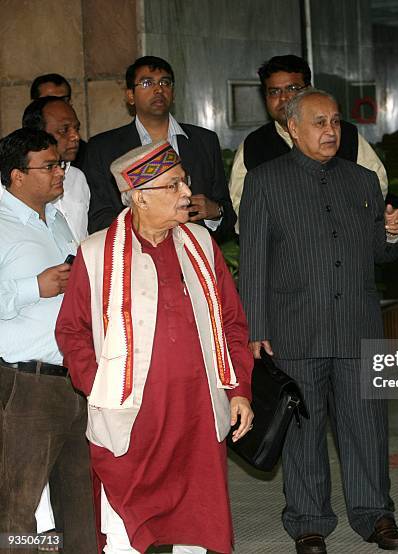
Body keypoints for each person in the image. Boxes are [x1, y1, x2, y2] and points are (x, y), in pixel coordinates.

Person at [55, 140, 253, 553]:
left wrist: (238, 392)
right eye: (174, 185)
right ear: (140, 197)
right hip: (130, 419)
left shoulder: (200, 244)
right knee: (125, 532)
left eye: (185, 183)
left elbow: (232, 322)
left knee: (196, 530)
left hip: (198, 416)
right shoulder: (95, 254)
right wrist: (100, 384)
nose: (187, 194)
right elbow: (72, 332)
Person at [239, 88, 398, 554]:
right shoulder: (265, 180)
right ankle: (308, 521)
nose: (331, 130)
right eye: (319, 122)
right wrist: (256, 329)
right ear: (293, 128)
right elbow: (253, 260)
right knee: (302, 432)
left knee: (367, 428)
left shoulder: (362, 180)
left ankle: (376, 516)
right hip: (295, 329)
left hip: (357, 325)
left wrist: (393, 233)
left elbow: (382, 252)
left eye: (335, 121)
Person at [0, 128, 97, 553]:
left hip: (73, 379)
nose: (62, 172)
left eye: (61, 163)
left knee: (81, 508)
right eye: (50, 166)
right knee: (16, 509)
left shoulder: (55, 218)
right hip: (27, 386)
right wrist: (32, 287)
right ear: (17, 176)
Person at [229, 54, 388, 232]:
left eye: (292, 88)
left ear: (309, 89)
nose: (283, 98)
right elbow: (241, 210)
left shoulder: (341, 134)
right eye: (274, 92)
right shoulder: (253, 146)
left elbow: (376, 184)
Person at [83, 56, 236, 240]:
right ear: (130, 95)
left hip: (195, 254)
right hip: (137, 260)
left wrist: (215, 212)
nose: (159, 89)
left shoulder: (204, 140)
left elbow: (227, 213)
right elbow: (99, 218)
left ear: (173, 93)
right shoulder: (103, 148)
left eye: (165, 82)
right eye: (147, 83)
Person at [22, 96, 90, 242]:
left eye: (76, 128)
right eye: (64, 130)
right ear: (38, 135)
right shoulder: (10, 184)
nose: (75, 136)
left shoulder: (77, 177)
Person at [30, 73, 87, 169]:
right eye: (48, 100)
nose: (57, 105)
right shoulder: (12, 152)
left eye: (62, 100)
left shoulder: (86, 154)